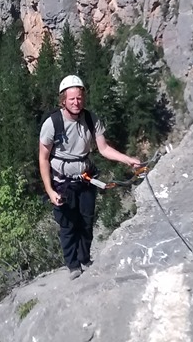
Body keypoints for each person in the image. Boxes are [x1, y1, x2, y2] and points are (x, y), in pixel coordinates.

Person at [39, 74, 142, 279]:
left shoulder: (90, 119)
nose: (76, 102)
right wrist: (50, 191)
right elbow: (43, 158)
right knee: (68, 225)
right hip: (62, 182)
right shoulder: (53, 123)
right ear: (63, 100)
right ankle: (73, 265)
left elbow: (103, 149)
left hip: (85, 178)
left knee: (86, 222)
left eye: (79, 98)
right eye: (71, 99)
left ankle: (84, 257)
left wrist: (127, 159)